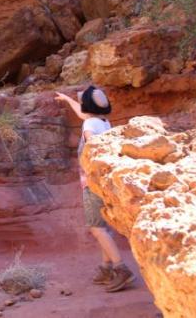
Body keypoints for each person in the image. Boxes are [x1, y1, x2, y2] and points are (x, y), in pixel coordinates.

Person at [55, 85, 135, 292]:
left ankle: (121, 268)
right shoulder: (103, 121)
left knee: (96, 227)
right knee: (104, 227)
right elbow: (84, 115)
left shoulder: (90, 124)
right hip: (104, 182)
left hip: (92, 183)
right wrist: (66, 98)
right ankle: (106, 268)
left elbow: (92, 141)